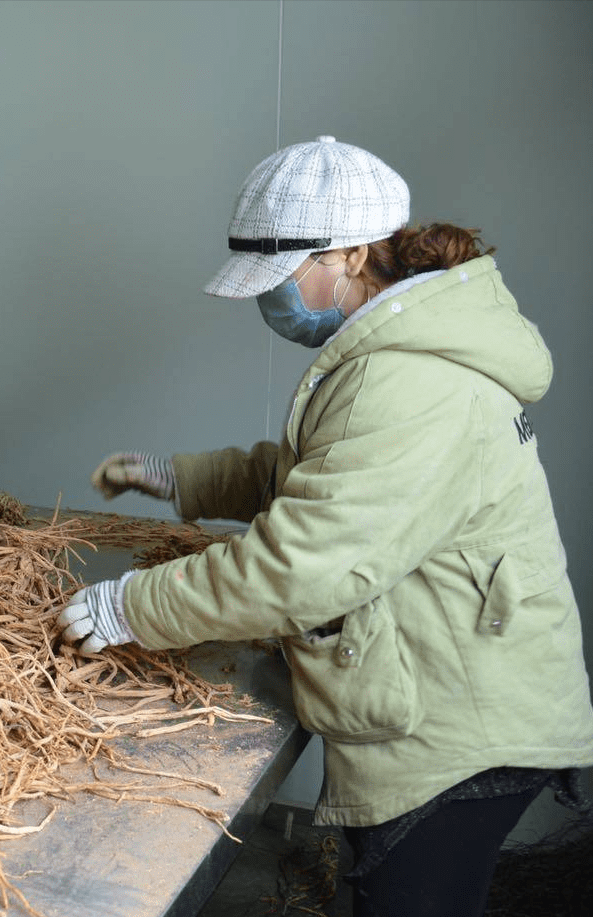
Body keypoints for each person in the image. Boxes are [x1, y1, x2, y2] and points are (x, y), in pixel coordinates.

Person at [58, 136, 593, 917]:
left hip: (461, 721)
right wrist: (184, 477)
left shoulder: (411, 378)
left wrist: (127, 608)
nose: (271, 302)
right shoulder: (405, 345)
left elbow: (298, 566)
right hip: (451, 680)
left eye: (280, 278)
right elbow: (329, 475)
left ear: (346, 254)